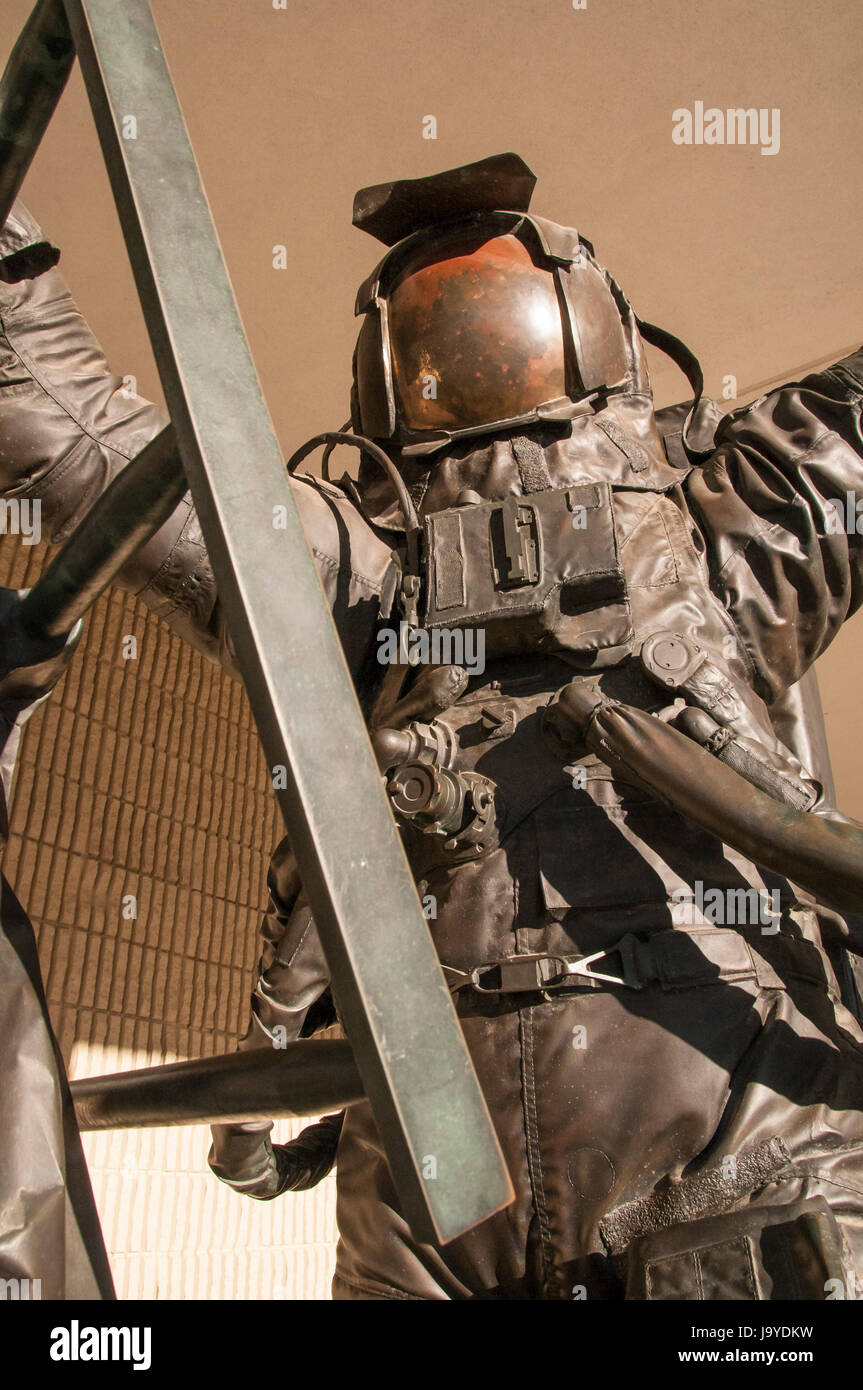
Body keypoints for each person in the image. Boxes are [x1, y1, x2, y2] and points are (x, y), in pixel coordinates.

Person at [3, 155, 863, 1300]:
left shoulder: (355, 572)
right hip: (577, 1140)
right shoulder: (739, 522)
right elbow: (74, 442)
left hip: (571, 1153)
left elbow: (70, 438)